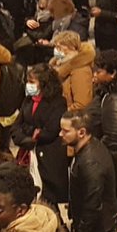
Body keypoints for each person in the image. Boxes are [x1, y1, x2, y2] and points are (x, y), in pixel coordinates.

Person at [60, 110, 117, 232]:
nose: (61, 134)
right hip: (96, 222)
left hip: (100, 226)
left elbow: (93, 203)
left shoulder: (91, 161)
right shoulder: (87, 149)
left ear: (81, 132)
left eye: (65, 131)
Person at [11, 64, 69, 205]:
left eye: (32, 82)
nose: (28, 85)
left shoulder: (58, 102)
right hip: (27, 153)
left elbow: (50, 131)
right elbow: (16, 126)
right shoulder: (27, 100)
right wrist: (26, 137)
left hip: (48, 157)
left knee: (48, 199)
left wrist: (28, 130)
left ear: (44, 83)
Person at [51, 30, 96, 112]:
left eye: (59, 47)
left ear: (72, 47)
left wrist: (60, 113)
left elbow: (82, 104)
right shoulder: (59, 66)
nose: (56, 50)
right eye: (56, 47)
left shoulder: (81, 70)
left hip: (69, 116)